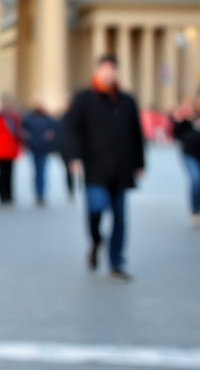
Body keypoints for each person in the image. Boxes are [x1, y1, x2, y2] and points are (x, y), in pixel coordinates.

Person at [61, 54, 144, 280]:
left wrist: (140, 163)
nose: (108, 74)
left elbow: (136, 134)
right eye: (104, 69)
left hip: (122, 168)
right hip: (94, 168)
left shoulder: (126, 101)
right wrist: (73, 157)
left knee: (119, 217)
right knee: (95, 208)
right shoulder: (84, 99)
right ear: (97, 71)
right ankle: (96, 240)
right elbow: (70, 130)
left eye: (112, 69)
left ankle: (116, 261)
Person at [171, 97, 200, 227]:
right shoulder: (187, 119)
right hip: (190, 154)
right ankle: (194, 210)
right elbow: (177, 134)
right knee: (196, 179)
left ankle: (199, 209)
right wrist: (179, 120)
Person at [22, 97, 64, 205]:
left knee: (41, 171)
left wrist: (51, 138)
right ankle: (37, 192)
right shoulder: (28, 118)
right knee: (36, 172)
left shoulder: (48, 119)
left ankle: (41, 194)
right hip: (33, 147)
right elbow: (22, 131)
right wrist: (26, 139)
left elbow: (56, 130)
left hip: (44, 148)